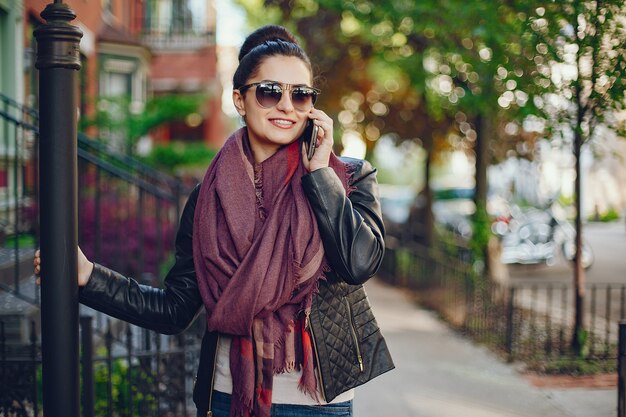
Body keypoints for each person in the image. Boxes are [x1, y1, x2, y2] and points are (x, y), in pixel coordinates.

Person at [35, 24, 393, 417]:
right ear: (240, 100)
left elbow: (359, 264)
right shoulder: (208, 198)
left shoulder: (348, 176)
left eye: (301, 94)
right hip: (228, 398)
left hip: (320, 405)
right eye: (270, 91)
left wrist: (320, 176)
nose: (287, 106)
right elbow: (175, 308)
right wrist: (90, 277)